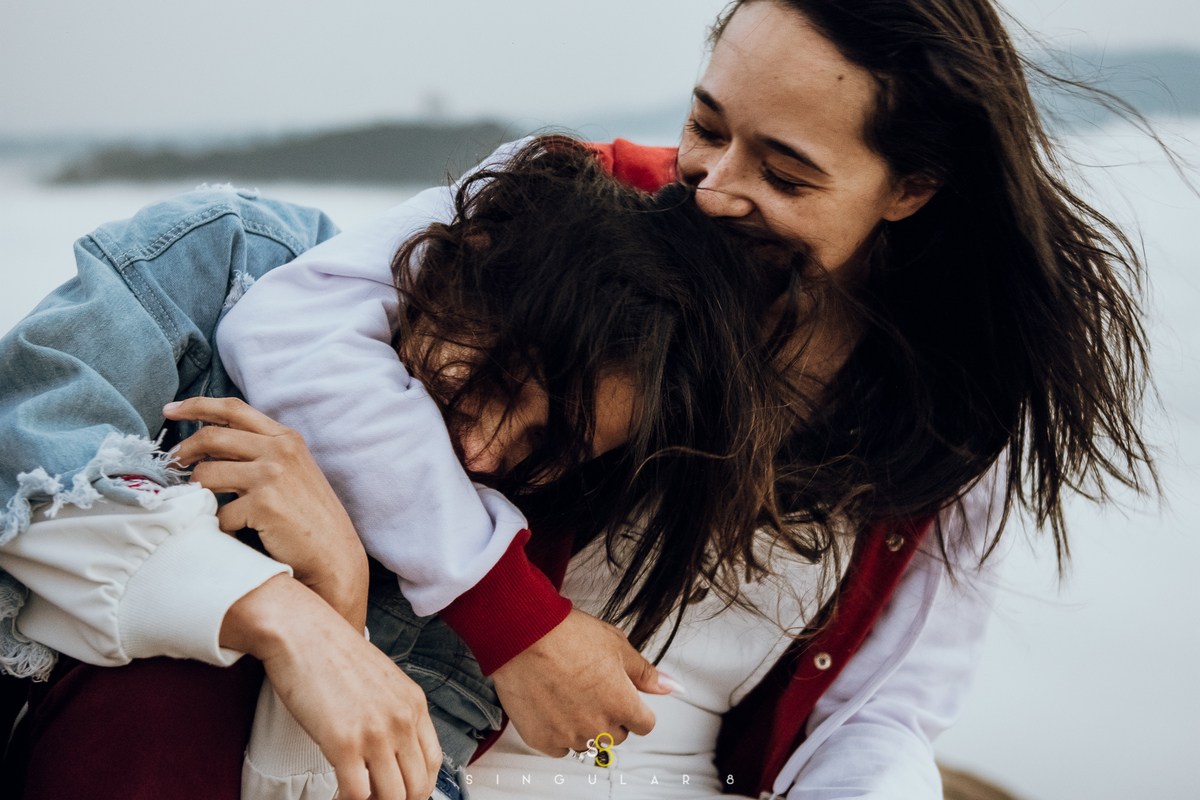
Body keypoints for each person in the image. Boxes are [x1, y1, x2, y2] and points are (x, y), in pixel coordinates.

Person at [0, 0, 1155, 797]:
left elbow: (885, 712)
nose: (713, 187)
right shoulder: (591, 204)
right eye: (708, 123)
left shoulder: (957, 415)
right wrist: (511, 614)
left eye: (787, 169)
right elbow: (299, 321)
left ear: (909, 187)